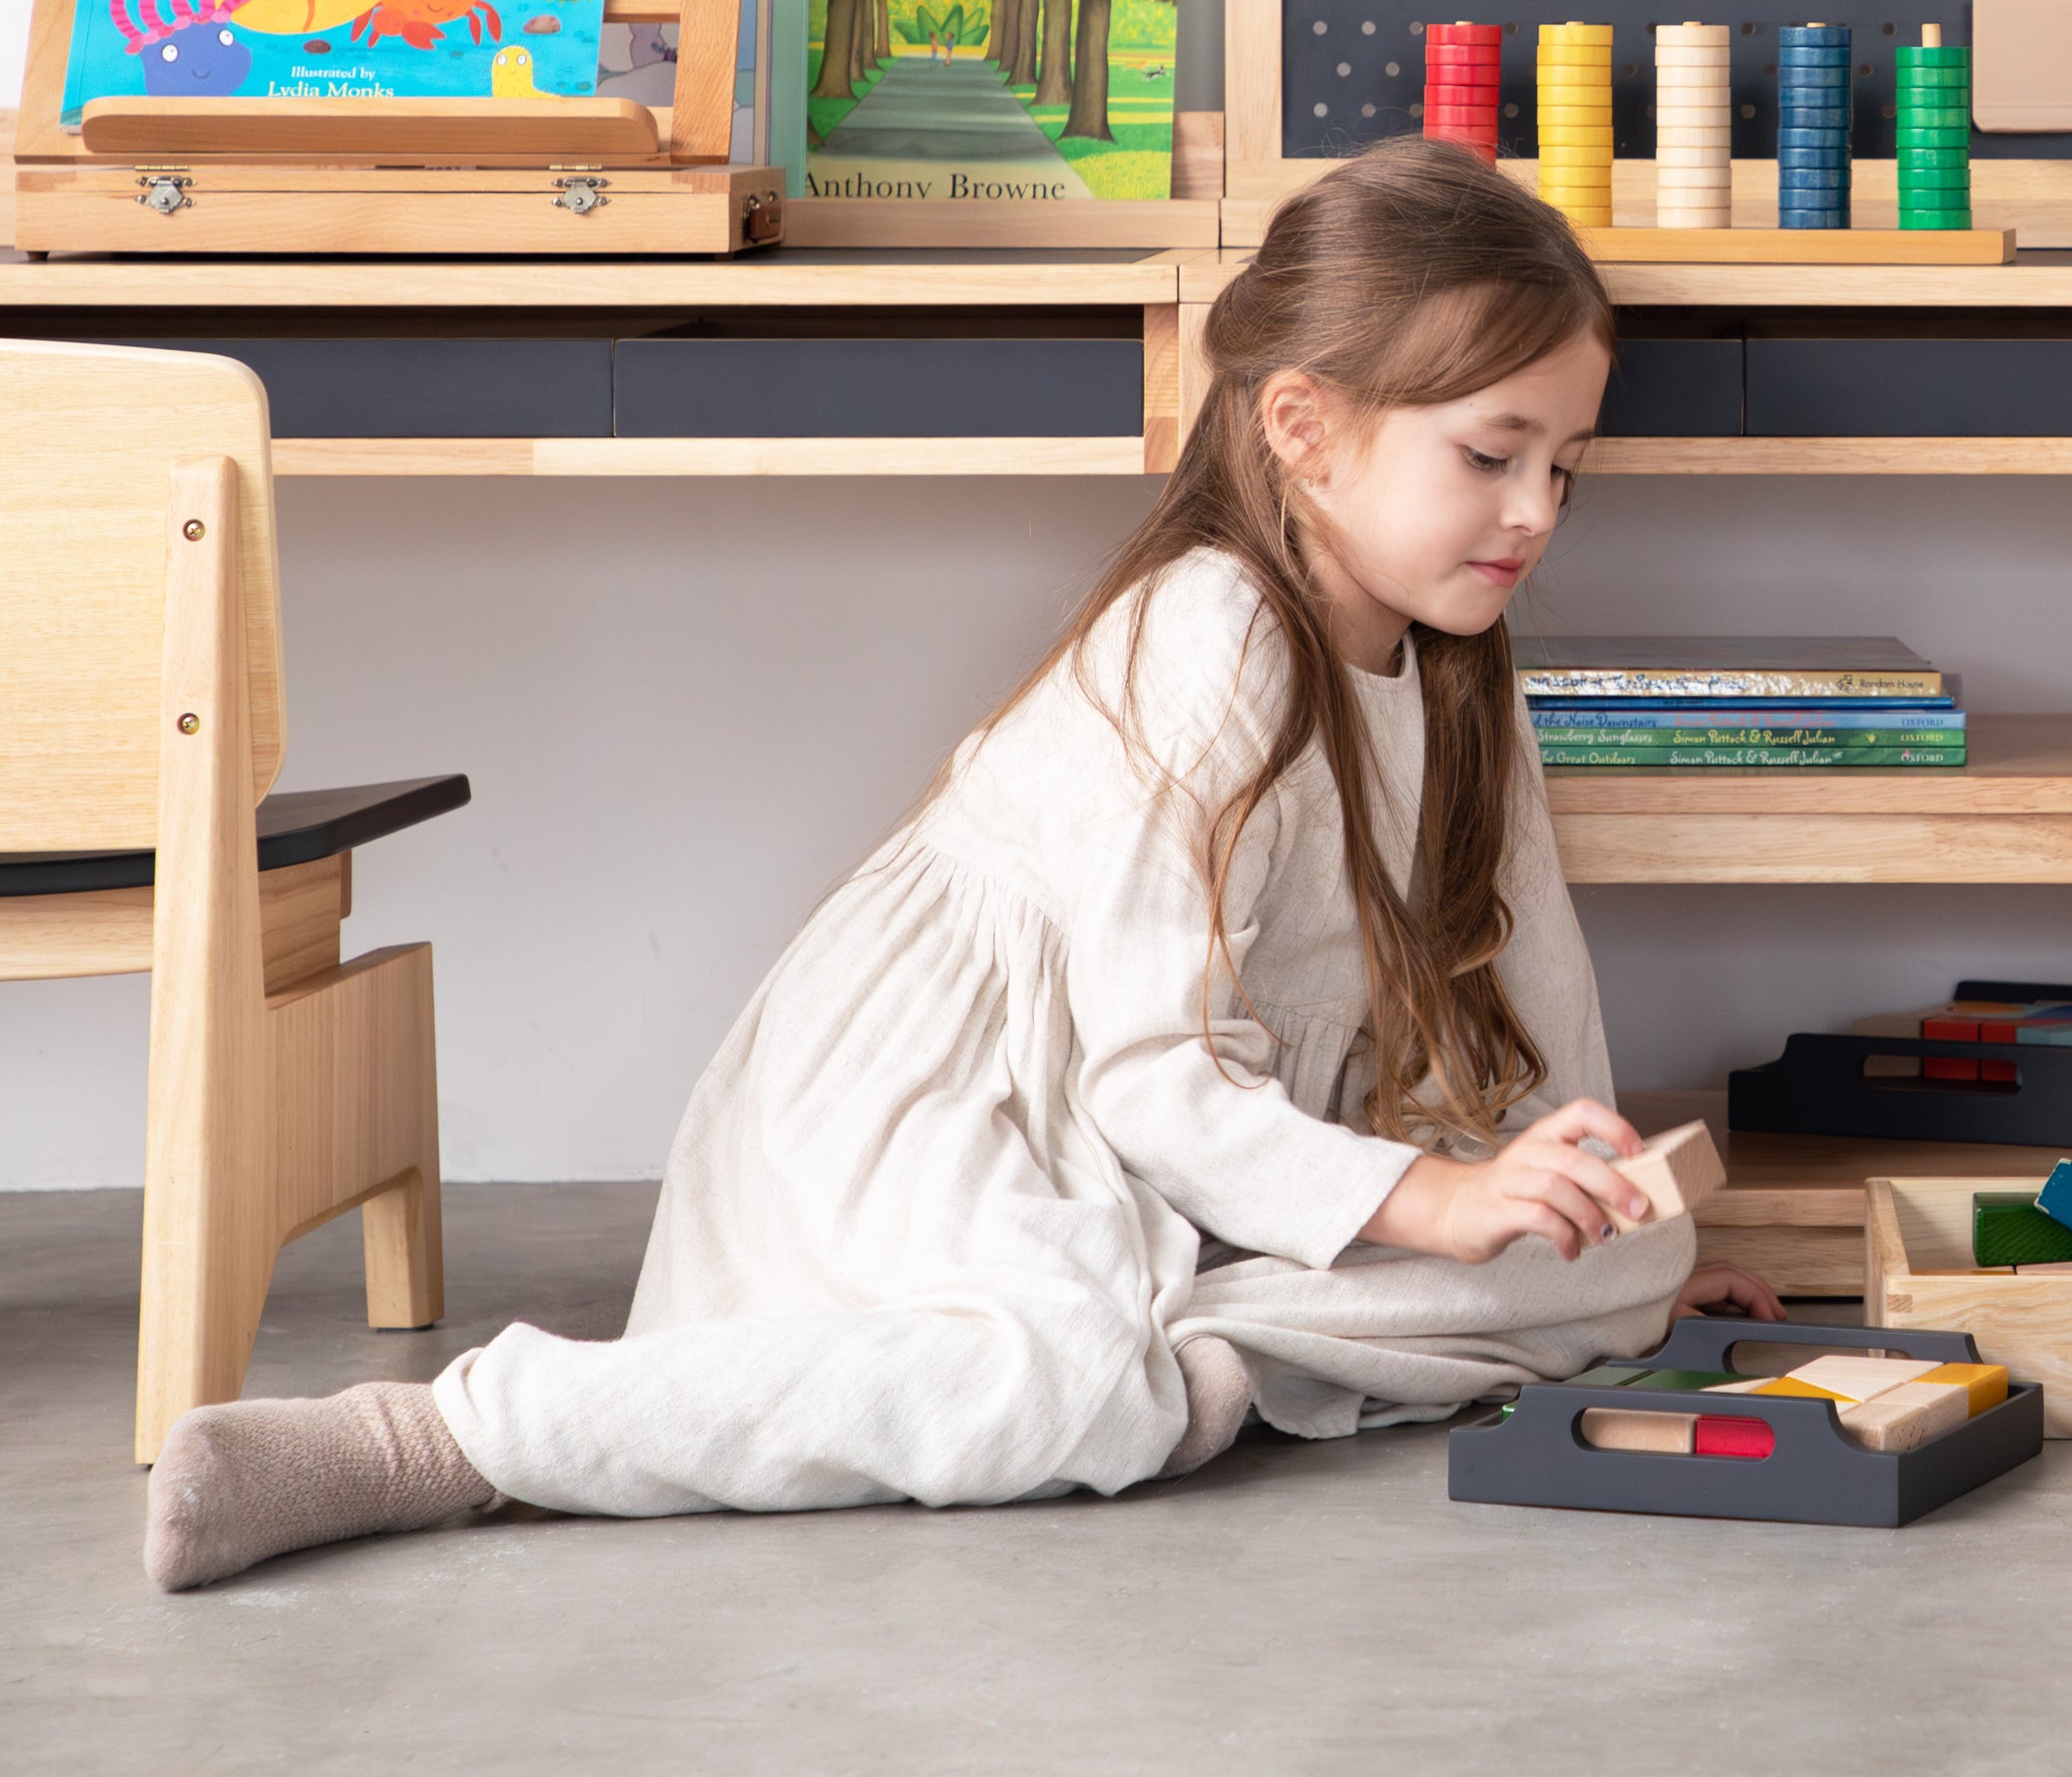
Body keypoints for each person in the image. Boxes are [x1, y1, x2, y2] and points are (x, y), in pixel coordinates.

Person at [148, 138, 1775, 1590]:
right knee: (1058, 1380)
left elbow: (1535, 986)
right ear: (1306, 429)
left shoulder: (1464, 666)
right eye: (1491, 455)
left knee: (1625, 1276)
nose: (1536, 510)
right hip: (951, 1103)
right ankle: (450, 1436)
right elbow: (1151, 1076)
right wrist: (1438, 1206)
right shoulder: (1214, 636)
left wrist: (1585, 1221)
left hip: (1165, 1163)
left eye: (1566, 466)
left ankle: (1193, 1353)